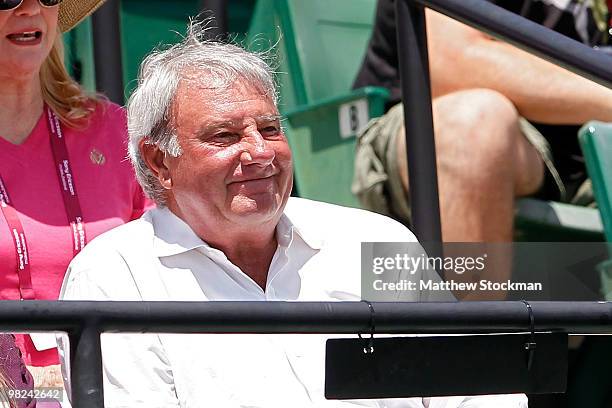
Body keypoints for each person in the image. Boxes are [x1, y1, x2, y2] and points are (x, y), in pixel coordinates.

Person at [58, 21, 525, 407]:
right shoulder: (114, 278)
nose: (260, 152)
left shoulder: (371, 240)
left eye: (269, 128)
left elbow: (478, 391)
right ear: (161, 162)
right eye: (225, 136)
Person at [352, 0, 612, 243]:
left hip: (582, 157)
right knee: (473, 125)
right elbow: (452, 61)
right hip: (425, 129)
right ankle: (465, 294)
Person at [0, 0, 152, 385]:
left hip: (112, 382)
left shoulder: (116, 130)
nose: (30, 10)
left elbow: (167, 265)